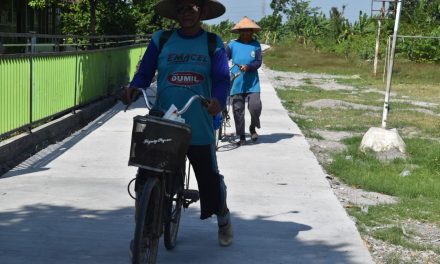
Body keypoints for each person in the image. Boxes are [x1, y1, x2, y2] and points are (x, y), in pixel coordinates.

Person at [123, 0, 233, 248]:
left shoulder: (212, 43)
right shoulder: (161, 39)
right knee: (146, 174)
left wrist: (218, 100)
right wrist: (133, 87)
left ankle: (223, 218)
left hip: (198, 119)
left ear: (202, 12)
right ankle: (144, 230)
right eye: (181, 8)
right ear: (175, 13)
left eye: (192, 8)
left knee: (209, 178)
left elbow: (222, 79)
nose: (186, 13)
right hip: (165, 118)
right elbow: (145, 71)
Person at [226, 16, 263, 146]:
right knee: (237, 110)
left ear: (252, 32)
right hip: (236, 82)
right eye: (243, 31)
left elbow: (258, 62)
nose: (246, 33)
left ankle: (253, 127)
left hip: (253, 82)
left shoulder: (256, 45)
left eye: (248, 31)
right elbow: (224, 58)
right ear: (239, 32)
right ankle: (241, 135)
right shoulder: (232, 45)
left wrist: (249, 67)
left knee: (255, 107)